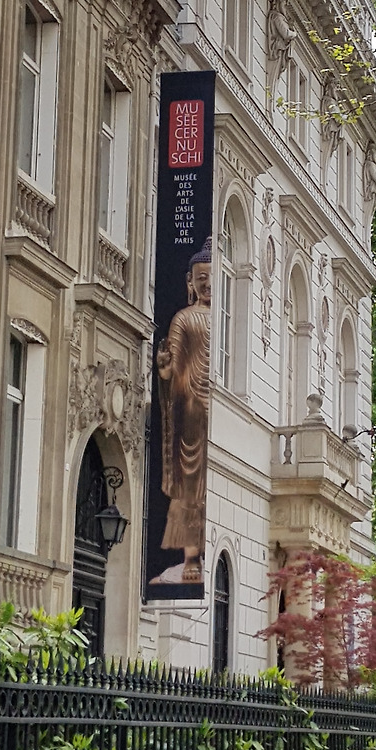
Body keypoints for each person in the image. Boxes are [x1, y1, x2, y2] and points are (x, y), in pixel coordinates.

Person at [156, 239, 212, 583]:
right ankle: (191, 556)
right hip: (190, 406)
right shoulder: (184, 318)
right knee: (191, 485)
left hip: (215, 408)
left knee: (209, 487)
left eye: (212, 277)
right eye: (201, 277)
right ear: (190, 281)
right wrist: (165, 368)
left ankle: (205, 553)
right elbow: (172, 365)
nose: (207, 283)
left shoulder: (226, 319)